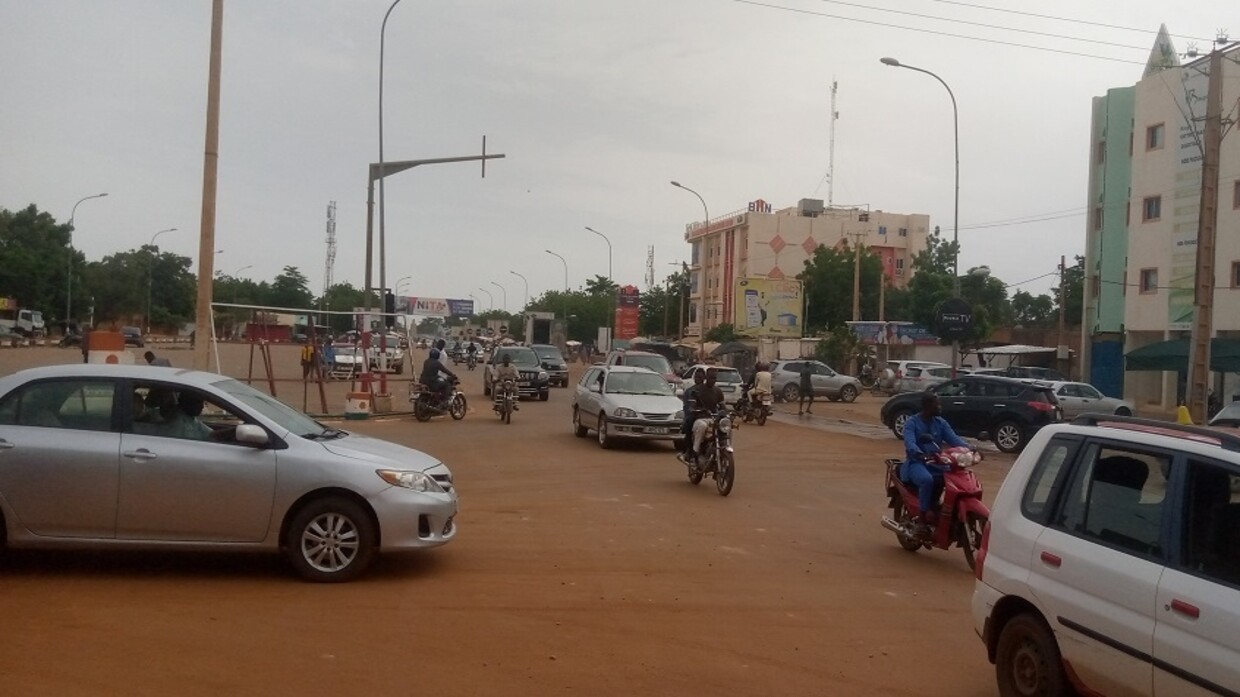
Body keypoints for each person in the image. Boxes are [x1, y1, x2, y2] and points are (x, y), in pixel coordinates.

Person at [901, 393, 971, 529]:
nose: (940, 407)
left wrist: (970, 449)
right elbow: (910, 442)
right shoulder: (912, 422)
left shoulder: (940, 422)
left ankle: (942, 510)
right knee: (927, 480)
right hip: (917, 463)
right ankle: (921, 519)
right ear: (928, 406)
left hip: (937, 463)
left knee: (955, 479)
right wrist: (919, 453)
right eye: (937, 404)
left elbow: (954, 439)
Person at [681, 368, 725, 467]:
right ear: (706, 378)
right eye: (710, 377)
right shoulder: (696, 390)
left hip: (712, 419)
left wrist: (727, 414)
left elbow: (722, 406)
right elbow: (691, 406)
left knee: (726, 428)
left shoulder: (718, 391)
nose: (713, 380)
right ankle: (694, 451)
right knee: (701, 426)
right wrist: (694, 410)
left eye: (714, 378)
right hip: (699, 418)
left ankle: (724, 448)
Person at [678, 370, 706, 460]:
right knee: (689, 423)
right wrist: (692, 410)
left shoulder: (708, 390)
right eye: (697, 377)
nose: (699, 379)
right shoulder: (689, 391)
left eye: (701, 377)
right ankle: (689, 451)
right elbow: (686, 407)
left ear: (704, 378)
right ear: (694, 378)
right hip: (694, 416)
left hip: (707, 416)